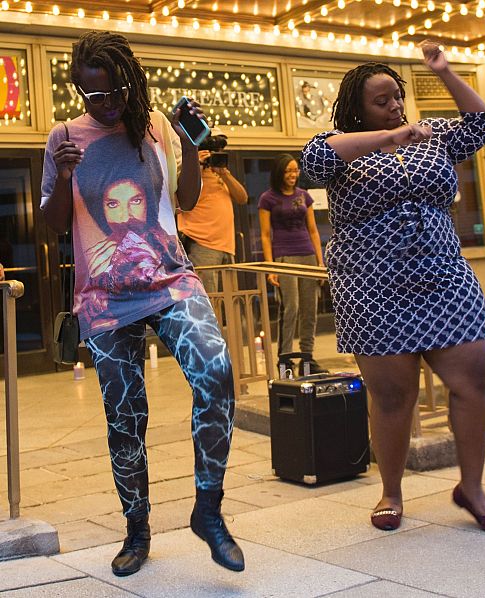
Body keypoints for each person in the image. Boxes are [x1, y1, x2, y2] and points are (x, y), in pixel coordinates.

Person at [40, 31, 244, 576]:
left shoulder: (155, 127)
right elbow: (53, 225)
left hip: (171, 279)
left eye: (111, 94)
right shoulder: (64, 137)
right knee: (125, 417)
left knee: (217, 371)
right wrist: (62, 176)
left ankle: (209, 510)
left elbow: (187, 199)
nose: (103, 106)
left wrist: (189, 144)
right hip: (106, 298)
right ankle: (137, 531)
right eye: (91, 97)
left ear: (130, 83)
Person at [301, 41, 485, 535]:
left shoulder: (433, 135)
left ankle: (472, 488)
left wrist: (445, 72)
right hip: (374, 287)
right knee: (393, 396)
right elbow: (314, 161)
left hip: (444, 274)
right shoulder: (340, 144)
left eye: (397, 96)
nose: (396, 105)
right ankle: (391, 490)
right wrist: (393, 136)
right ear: (357, 109)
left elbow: (482, 124)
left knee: (475, 373)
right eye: (382, 100)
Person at [258, 153, 326, 374]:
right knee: (291, 308)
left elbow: (314, 230)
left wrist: (320, 262)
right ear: (279, 173)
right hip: (284, 258)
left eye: (295, 170)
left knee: (310, 308)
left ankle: (308, 356)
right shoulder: (267, 199)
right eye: (288, 171)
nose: (293, 175)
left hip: (306, 254)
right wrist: (271, 267)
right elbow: (266, 235)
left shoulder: (304, 196)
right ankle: (285, 357)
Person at [177, 128, 247, 293]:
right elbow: (180, 198)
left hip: (226, 246)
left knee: (229, 302)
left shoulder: (220, 174)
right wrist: (197, 165)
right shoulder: (190, 171)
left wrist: (224, 173)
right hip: (202, 245)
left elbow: (242, 198)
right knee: (210, 300)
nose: (215, 153)